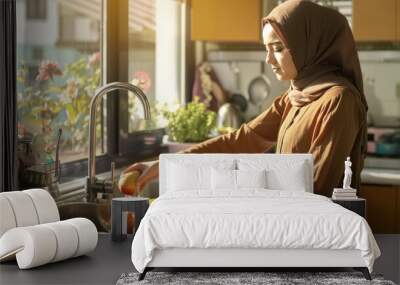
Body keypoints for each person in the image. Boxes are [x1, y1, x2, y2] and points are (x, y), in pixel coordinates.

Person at [121, 0, 368, 197]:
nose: (269, 60)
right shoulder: (294, 97)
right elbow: (243, 140)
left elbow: (317, 190)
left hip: (318, 242)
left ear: (310, 45)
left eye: (278, 49)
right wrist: (165, 165)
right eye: (266, 49)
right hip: (288, 227)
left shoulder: (338, 100)